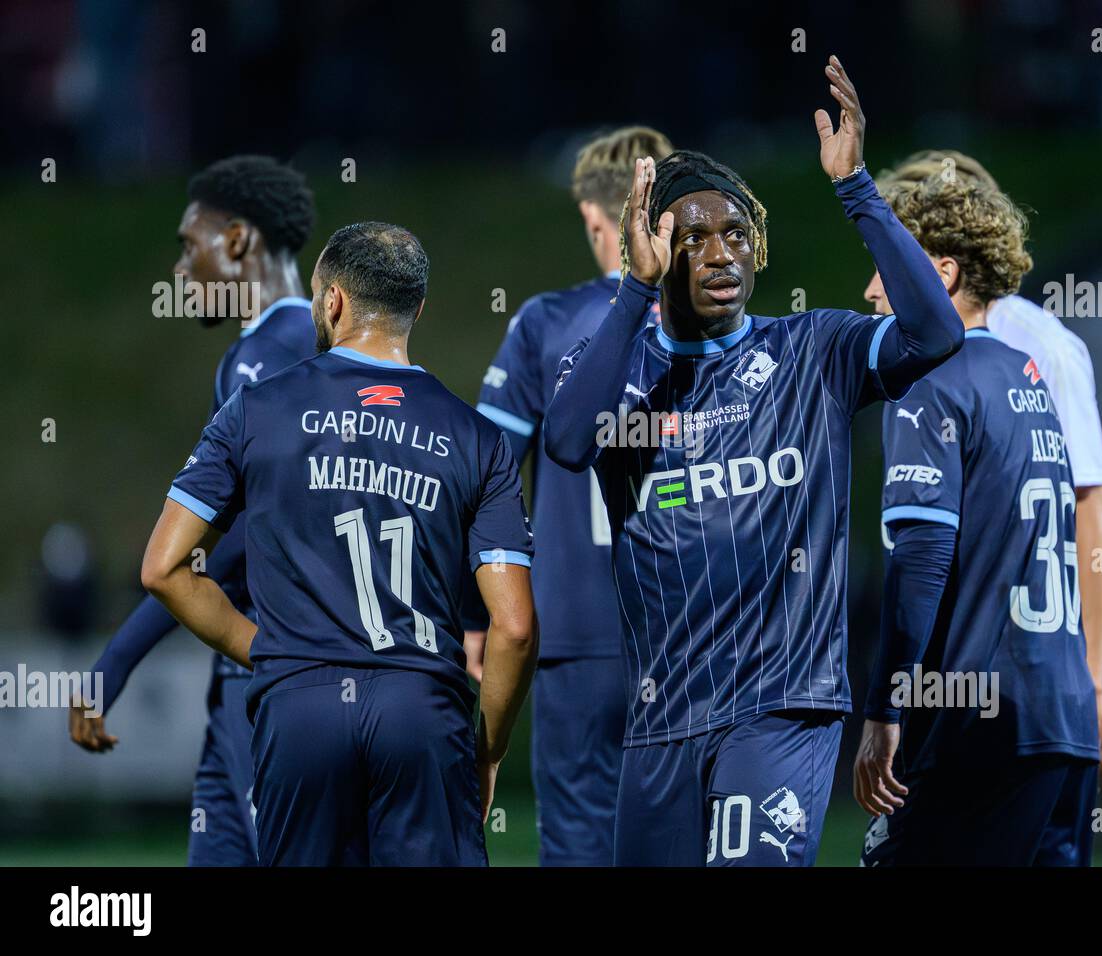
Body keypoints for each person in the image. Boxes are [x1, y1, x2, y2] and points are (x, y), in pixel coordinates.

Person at [543, 55, 963, 866]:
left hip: (781, 708)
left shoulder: (816, 350)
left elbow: (935, 333)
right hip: (662, 717)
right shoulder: (619, 369)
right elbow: (564, 444)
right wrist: (635, 290)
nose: (720, 254)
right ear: (657, 251)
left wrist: (857, 189)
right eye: (693, 239)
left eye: (735, 233)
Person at [140, 222, 537, 865]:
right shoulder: (477, 437)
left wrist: (267, 651)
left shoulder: (254, 409)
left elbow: (163, 569)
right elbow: (514, 628)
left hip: (299, 710)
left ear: (331, 303)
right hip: (422, 708)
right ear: (418, 310)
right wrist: (488, 748)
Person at [69, 155, 317, 866]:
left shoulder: (272, 357)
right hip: (242, 687)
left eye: (189, 246)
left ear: (236, 240)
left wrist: (116, 660)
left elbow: (236, 534)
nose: (180, 271)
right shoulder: (271, 351)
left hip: (275, 677)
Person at [854, 170, 1099, 865]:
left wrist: (884, 709)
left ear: (942, 271)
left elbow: (923, 560)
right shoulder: (1027, 375)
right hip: (1060, 711)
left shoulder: (932, 379)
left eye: (885, 269)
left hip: (982, 720)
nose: (874, 290)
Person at [471, 125, 672, 865]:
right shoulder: (715, 323)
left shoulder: (548, 323)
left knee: (581, 846)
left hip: (576, 637)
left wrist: (477, 613)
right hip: (697, 633)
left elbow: (489, 470)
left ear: (597, 219)